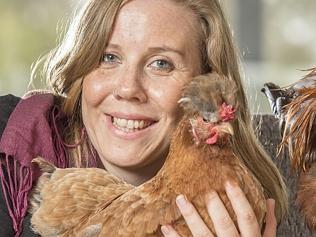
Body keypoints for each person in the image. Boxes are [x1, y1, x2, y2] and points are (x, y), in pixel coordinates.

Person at [0, 0, 288, 236]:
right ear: (82, 66)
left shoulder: (251, 208)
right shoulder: (8, 144)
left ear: (205, 82)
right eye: (108, 57)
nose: (128, 88)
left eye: (161, 64)